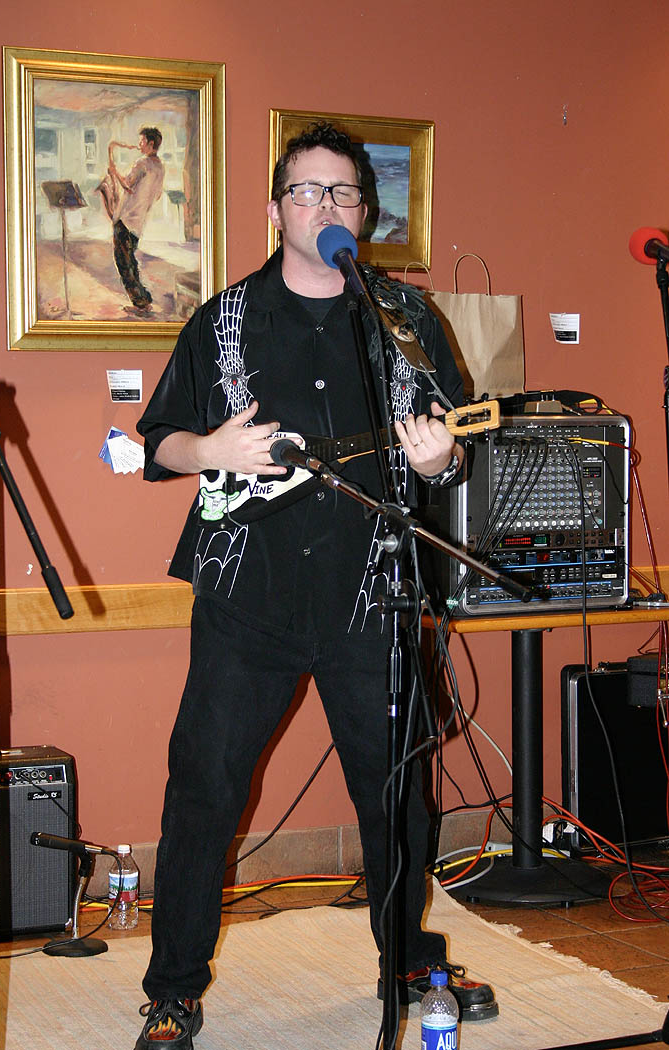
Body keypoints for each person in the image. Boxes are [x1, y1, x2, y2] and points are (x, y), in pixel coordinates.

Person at [134, 121, 497, 1050]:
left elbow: (453, 450)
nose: (326, 208)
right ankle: (173, 987)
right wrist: (208, 449)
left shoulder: (406, 321)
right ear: (274, 209)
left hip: (371, 595)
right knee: (204, 788)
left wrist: (443, 456)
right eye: (307, 192)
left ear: (363, 214)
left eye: (343, 194)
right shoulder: (220, 319)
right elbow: (159, 440)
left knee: (396, 792)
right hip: (243, 597)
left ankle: (405, 963)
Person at [104, 126, 164, 314]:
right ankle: (143, 298)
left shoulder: (142, 163)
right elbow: (157, 195)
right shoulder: (160, 167)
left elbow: (127, 184)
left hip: (126, 219)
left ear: (150, 143)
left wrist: (114, 172)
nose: (138, 145)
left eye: (141, 141)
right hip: (138, 221)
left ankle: (140, 301)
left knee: (123, 262)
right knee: (130, 260)